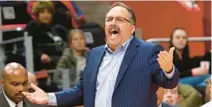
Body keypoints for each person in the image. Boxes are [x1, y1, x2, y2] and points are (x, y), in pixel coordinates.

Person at [22, 2, 179, 107]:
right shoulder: (94, 54)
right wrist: (48, 98)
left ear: (132, 28)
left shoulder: (147, 51)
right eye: (109, 19)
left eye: (120, 19)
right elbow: (81, 91)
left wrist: (169, 70)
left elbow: (168, 82)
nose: (113, 23)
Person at [25, 1, 65, 71]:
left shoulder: (56, 28)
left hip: (59, 58)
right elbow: (31, 46)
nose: (46, 15)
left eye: (49, 12)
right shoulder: (32, 26)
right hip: (42, 59)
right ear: (37, 14)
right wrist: (41, 55)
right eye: (42, 12)